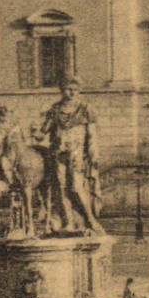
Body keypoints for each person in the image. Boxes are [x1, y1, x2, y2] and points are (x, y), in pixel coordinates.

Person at [41, 76, 102, 233]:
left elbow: (92, 134)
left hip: (77, 153)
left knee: (76, 187)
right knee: (61, 188)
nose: (72, 93)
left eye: (75, 90)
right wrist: (38, 129)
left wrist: (93, 154)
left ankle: (90, 220)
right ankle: (68, 222)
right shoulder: (55, 110)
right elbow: (43, 132)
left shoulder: (85, 109)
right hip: (58, 153)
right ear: (62, 91)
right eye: (69, 89)